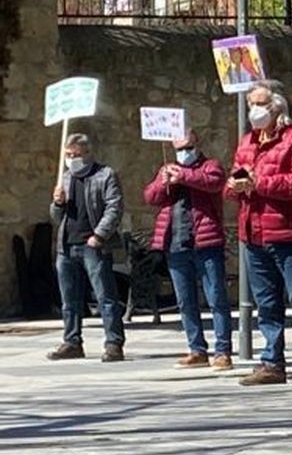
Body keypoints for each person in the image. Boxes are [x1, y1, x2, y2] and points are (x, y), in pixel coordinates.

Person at [229, 80, 292, 386]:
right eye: (251, 104)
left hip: (290, 232)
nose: (253, 110)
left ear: (277, 106)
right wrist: (234, 186)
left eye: (260, 104)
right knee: (266, 302)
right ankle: (272, 362)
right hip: (253, 232)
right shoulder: (248, 140)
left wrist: (259, 183)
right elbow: (235, 176)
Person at [143, 131, 232, 370]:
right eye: (179, 149)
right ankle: (196, 349)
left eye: (188, 147)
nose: (184, 153)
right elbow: (150, 197)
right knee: (185, 301)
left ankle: (223, 350)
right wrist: (163, 182)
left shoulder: (210, 166)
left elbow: (213, 182)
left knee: (216, 299)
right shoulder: (167, 170)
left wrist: (183, 176)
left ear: (196, 145)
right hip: (176, 244)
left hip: (206, 243)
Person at [47, 133, 126, 362]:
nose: (71, 160)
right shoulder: (65, 178)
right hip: (66, 245)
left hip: (93, 245)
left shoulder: (105, 175)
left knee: (105, 296)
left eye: (76, 155)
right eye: (68, 155)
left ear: (88, 154)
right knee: (69, 299)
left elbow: (114, 207)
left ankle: (113, 342)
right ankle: (72, 341)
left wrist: (99, 235)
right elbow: (57, 217)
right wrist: (57, 203)